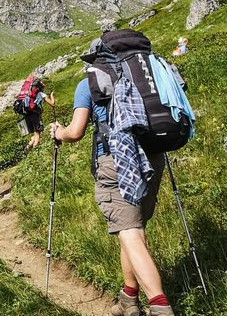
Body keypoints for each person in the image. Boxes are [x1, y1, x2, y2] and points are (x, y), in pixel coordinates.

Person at [48, 42, 174, 316]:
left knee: (129, 231)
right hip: (152, 156)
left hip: (115, 161)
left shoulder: (89, 84)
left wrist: (58, 132)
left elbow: (76, 131)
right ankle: (129, 299)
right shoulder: (147, 76)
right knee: (134, 229)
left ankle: (160, 305)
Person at [23, 78, 55, 149]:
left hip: (27, 114)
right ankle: (35, 149)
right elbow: (52, 104)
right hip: (36, 115)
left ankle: (29, 146)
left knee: (35, 132)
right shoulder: (41, 94)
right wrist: (52, 95)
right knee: (38, 133)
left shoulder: (28, 92)